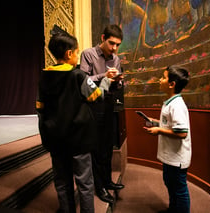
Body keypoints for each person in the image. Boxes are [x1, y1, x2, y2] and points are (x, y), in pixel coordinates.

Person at [35, 30, 112, 213]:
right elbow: (97, 96)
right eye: (77, 52)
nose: (77, 56)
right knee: (85, 184)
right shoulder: (78, 76)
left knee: (62, 183)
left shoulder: (44, 77)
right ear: (69, 53)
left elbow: (40, 108)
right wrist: (107, 81)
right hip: (79, 141)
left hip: (56, 141)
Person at [80, 24, 125, 204]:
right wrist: (103, 76)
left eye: (117, 45)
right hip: (91, 105)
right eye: (111, 43)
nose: (114, 48)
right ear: (102, 38)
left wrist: (118, 81)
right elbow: (82, 81)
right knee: (96, 149)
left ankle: (107, 181)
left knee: (107, 147)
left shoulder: (116, 59)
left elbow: (117, 86)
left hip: (108, 105)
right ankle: (99, 187)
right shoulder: (88, 54)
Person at [144, 65, 191, 213]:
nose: (160, 79)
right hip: (170, 156)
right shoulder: (171, 102)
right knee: (170, 183)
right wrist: (157, 123)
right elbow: (170, 125)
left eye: (163, 77)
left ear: (172, 84)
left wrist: (159, 130)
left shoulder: (176, 105)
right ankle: (173, 209)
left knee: (179, 188)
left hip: (177, 158)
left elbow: (182, 133)